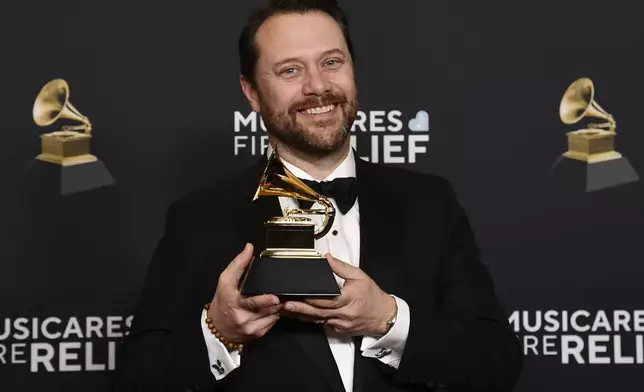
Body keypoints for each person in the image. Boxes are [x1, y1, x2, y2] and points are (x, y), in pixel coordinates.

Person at [114, 0, 523, 391]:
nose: (318, 86)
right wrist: (220, 330)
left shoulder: (429, 204)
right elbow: (139, 379)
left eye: (332, 62)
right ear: (252, 92)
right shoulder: (199, 218)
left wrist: (389, 320)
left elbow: (496, 362)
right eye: (290, 70)